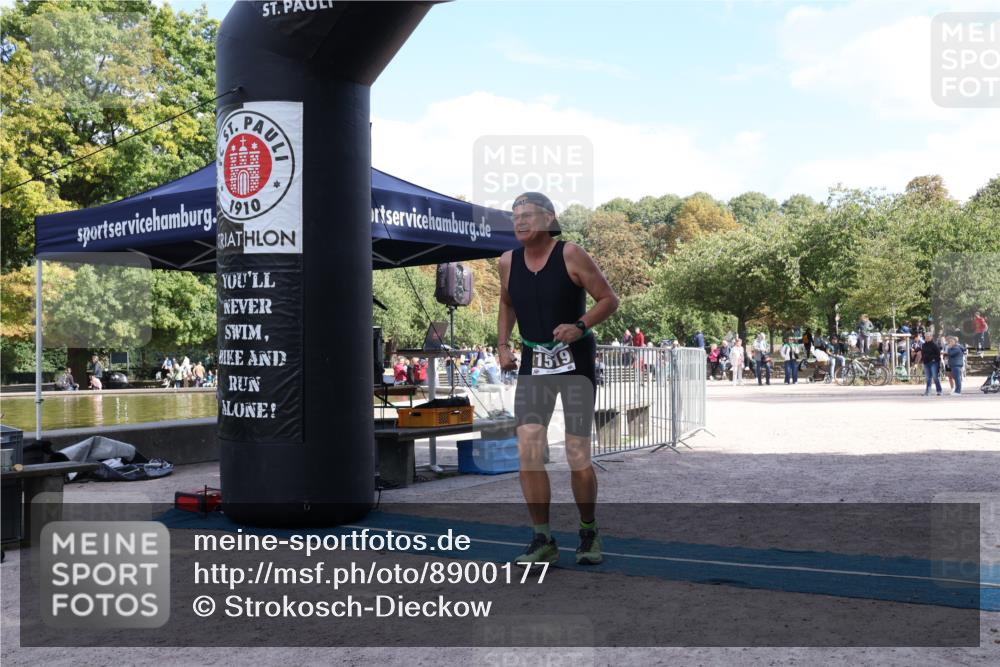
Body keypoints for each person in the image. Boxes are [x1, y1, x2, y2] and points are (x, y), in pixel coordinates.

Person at [497, 191, 618, 566]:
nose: (519, 222)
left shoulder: (570, 254)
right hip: (535, 362)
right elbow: (506, 302)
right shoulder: (506, 261)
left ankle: (588, 529)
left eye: (528, 215)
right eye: (515, 216)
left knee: (576, 453)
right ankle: (543, 538)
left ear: (548, 219)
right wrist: (502, 343)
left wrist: (580, 326)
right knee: (528, 448)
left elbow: (608, 299)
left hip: (575, 363)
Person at [920, 332, 943, 396]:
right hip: (926, 362)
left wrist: (934, 359)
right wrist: (923, 360)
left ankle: (939, 391)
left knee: (935, 377)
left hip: (933, 363)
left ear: (931, 337)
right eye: (926, 337)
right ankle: (928, 391)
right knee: (928, 378)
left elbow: (938, 354)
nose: (927, 338)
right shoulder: (923, 345)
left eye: (928, 336)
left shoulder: (934, 345)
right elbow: (923, 353)